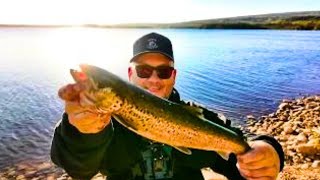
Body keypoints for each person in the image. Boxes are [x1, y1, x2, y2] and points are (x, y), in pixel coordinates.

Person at [51, 32, 284, 180]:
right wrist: (81, 131)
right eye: (143, 71)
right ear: (130, 74)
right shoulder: (102, 123)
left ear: (173, 76)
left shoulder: (198, 117)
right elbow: (78, 169)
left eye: (163, 71)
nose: (154, 79)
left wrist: (269, 149)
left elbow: (240, 157)